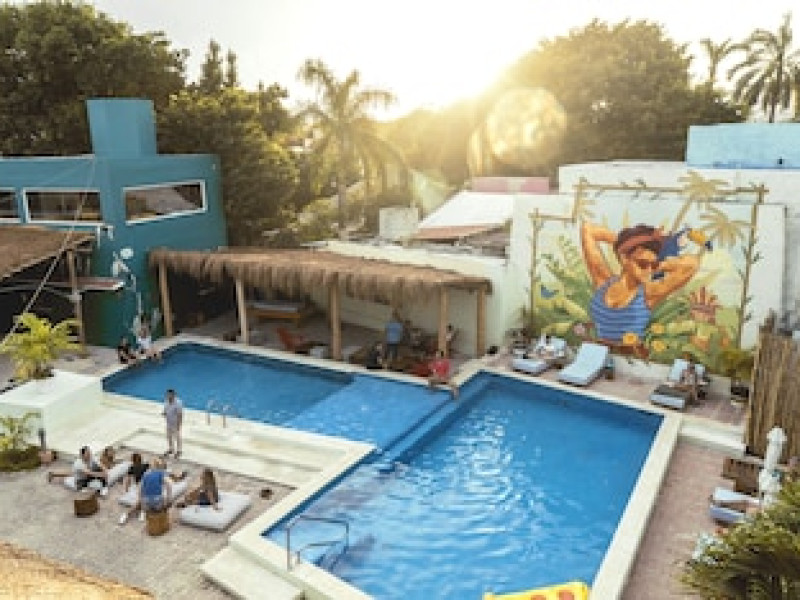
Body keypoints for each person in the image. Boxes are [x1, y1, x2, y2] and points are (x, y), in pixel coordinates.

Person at [581, 221, 701, 356]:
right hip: (597, 356)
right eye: (643, 264)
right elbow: (588, 230)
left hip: (631, 360)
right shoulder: (603, 281)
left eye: (653, 266)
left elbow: (692, 265)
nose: (649, 271)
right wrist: (626, 244)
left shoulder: (649, 294)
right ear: (624, 258)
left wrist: (660, 264)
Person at [118, 452, 150, 525]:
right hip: (142, 485)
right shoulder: (145, 465)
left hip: (141, 485)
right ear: (141, 459)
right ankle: (138, 512)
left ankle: (127, 514)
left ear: (132, 460)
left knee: (140, 500)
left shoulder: (132, 468)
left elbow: (128, 480)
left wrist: (126, 490)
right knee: (141, 500)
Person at [162, 388, 183, 458]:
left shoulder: (178, 403)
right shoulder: (166, 401)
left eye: (170, 395)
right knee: (169, 436)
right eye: (168, 395)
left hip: (175, 423)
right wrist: (164, 413)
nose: (169, 396)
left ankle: (179, 450)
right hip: (168, 423)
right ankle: (171, 449)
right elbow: (165, 410)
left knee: (177, 437)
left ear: (174, 395)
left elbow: (180, 415)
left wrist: (179, 425)